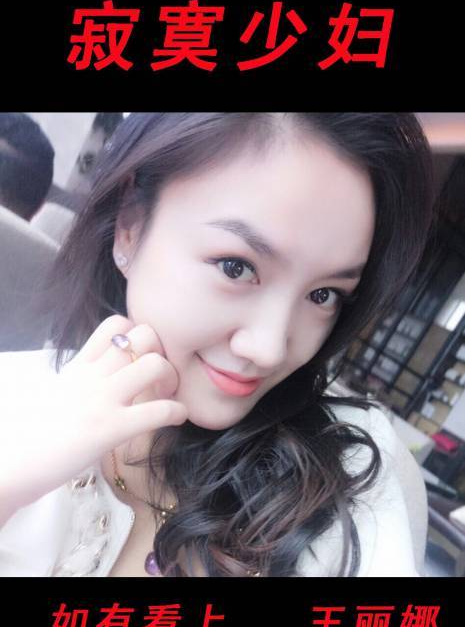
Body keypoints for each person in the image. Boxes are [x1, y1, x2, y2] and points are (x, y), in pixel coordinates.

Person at [0, 112, 436, 578]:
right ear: (130, 226)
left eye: (323, 295)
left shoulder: (349, 472)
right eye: (235, 267)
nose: (269, 349)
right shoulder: (15, 398)